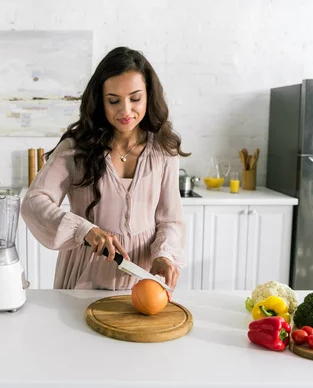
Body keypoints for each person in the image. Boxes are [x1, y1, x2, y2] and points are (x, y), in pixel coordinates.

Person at [20, 46, 189, 291]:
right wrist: (84, 230)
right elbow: (34, 202)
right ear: (100, 101)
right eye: (113, 101)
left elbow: (170, 219)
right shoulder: (75, 149)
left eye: (135, 98)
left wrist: (164, 254)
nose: (125, 111)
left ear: (149, 95)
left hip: (143, 278)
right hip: (83, 273)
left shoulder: (163, 151)